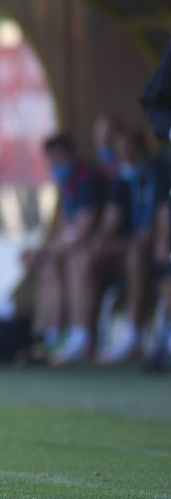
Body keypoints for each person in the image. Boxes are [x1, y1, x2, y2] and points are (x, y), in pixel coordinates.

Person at [76, 128, 168, 366]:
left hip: (153, 249)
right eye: (120, 151)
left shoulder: (160, 172)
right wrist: (99, 242)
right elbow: (112, 218)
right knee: (85, 258)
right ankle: (81, 336)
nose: (124, 156)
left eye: (129, 150)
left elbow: (159, 221)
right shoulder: (122, 178)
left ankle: (133, 335)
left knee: (136, 255)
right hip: (129, 245)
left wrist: (159, 244)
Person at [24, 133, 107, 366]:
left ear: (70, 154)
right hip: (77, 246)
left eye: (58, 158)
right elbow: (62, 231)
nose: (55, 165)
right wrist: (44, 251)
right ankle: (51, 335)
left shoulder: (87, 180)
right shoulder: (66, 185)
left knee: (74, 261)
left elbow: (82, 232)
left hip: (99, 248)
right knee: (48, 265)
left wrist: (48, 251)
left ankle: (80, 336)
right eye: (51, 160)